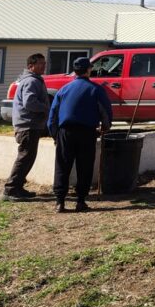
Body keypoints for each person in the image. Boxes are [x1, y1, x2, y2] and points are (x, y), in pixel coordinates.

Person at [47, 57, 113, 213]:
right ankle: (81, 201)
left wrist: (55, 135)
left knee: (62, 166)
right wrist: (106, 126)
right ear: (88, 70)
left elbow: (53, 115)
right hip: (86, 132)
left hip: (65, 132)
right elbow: (106, 112)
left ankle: (60, 201)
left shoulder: (63, 89)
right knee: (85, 166)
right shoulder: (95, 89)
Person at [3, 53, 49, 201]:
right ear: (31, 66)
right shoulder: (31, 81)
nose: (43, 66)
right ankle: (11, 189)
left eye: (44, 63)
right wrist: (46, 108)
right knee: (24, 158)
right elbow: (29, 103)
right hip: (28, 125)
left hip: (29, 125)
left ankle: (18, 187)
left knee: (28, 158)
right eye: (40, 63)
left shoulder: (33, 80)